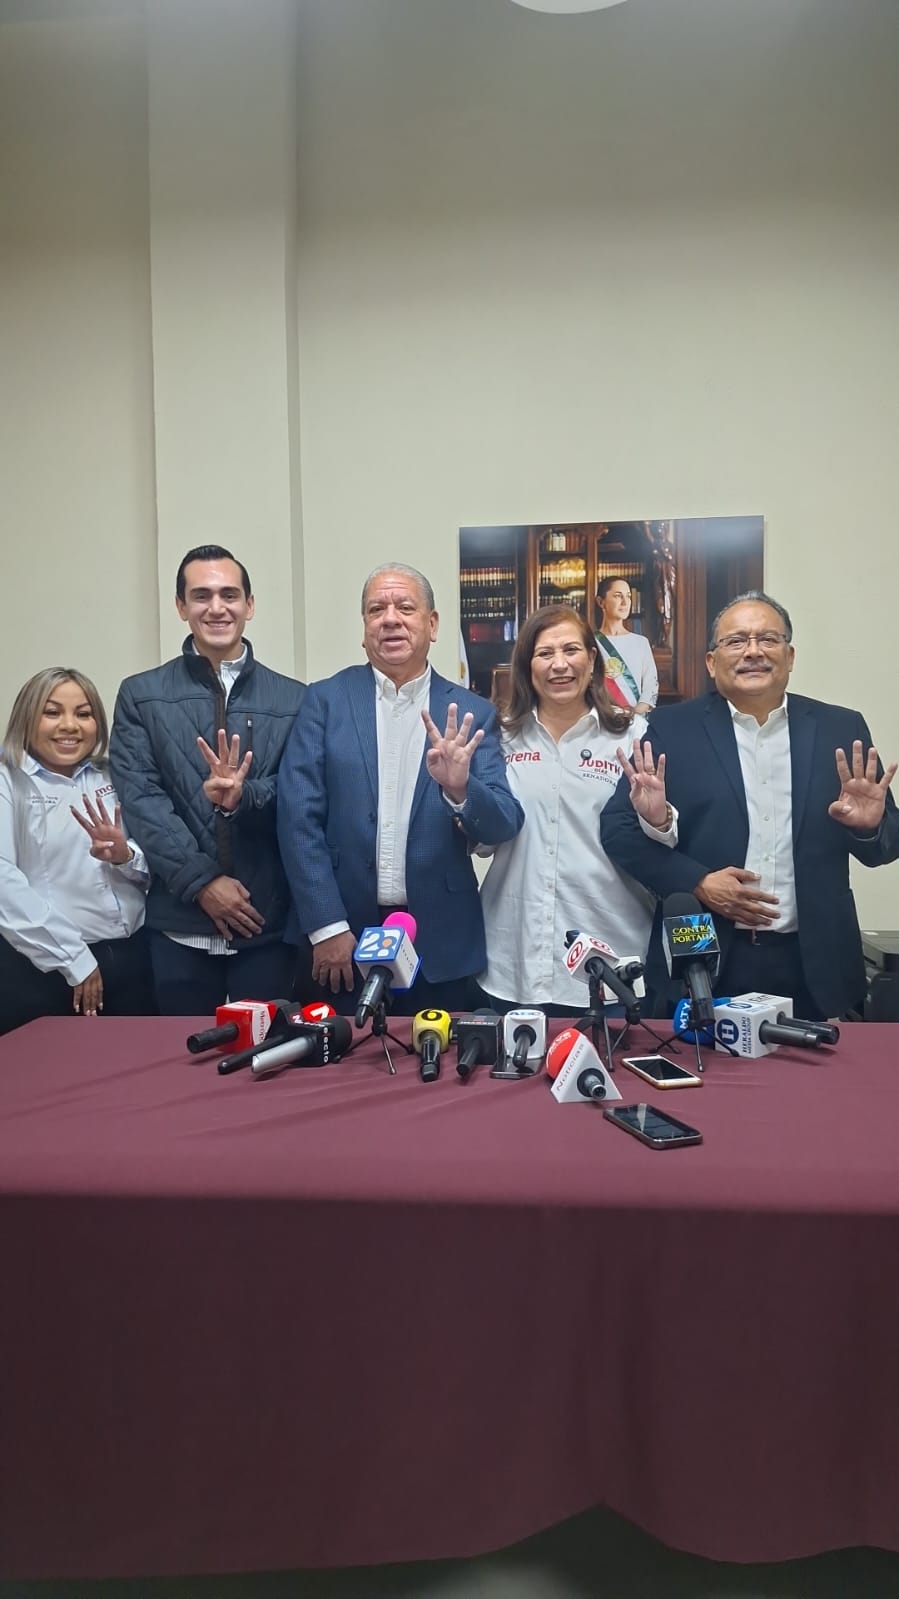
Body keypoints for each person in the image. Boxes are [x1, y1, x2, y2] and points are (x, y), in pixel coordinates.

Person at [601, 590, 899, 1020]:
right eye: (737, 641)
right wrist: (698, 881)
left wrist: (867, 827)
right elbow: (618, 830)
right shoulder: (672, 729)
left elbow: (884, 847)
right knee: (700, 1064)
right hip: (704, 955)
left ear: (790, 657)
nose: (753, 651)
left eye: (768, 639)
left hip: (813, 963)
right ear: (712, 661)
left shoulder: (840, 728)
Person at [276, 562, 524, 1016]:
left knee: (439, 1057)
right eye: (377, 609)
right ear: (364, 628)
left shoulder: (472, 712)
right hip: (341, 937)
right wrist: (326, 925)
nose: (390, 619)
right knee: (341, 1057)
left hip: (439, 940)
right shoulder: (325, 701)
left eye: (405, 608)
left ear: (432, 624)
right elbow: (297, 820)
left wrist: (461, 789)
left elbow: (503, 823)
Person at [109, 545, 306, 1015]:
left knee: (270, 1052)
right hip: (179, 924)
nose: (217, 608)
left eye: (229, 595)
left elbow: (300, 794)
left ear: (249, 605)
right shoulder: (141, 695)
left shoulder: (295, 698)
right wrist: (203, 883)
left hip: (265, 924)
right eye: (201, 596)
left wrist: (244, 796)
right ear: (181, 607)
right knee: (182, 1055)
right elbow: (142, 800)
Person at [476, 604, 668, 1014]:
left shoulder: (633, 734)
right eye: (545, 653)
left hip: (612, 953)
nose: (559, 664)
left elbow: (664, 841)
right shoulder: (500, 736)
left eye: (571, 650)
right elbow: (484, 843)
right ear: (527, 666)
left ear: (592, 658)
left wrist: (657, 818)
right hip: (513, 956)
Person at [0, 668, 154, 1034]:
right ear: (26, 717)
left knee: (135, 1064)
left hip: (134, 958)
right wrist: (75, 959)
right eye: (52, 712)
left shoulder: (113, 775)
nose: (69, 725)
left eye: (83, 714)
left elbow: (154, 859)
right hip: (47, 967)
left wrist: (124, 856)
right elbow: (4, 882)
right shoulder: (9, 780)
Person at [595, 575, 658, 715]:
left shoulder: (640, 643)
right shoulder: (590, 642)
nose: (625, 602)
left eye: (628, 596)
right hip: (602, 718)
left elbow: (651, 686)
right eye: (618, 596)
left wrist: (635, 714)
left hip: (635, 719)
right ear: (601, 602)